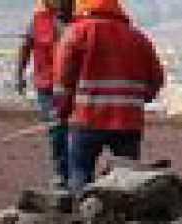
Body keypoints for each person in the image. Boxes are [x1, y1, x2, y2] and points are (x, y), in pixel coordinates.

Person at [51, 0, 163, 194]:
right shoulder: (138, 37)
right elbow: (157, 78)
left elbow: (62, 78)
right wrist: (140, 99)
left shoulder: (77, 32)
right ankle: (124, 220)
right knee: (128, 179)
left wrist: (63, 111)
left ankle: (82, 218)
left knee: (80, 173)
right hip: (128, 122)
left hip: (86, 119)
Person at [15, 0, 74, 188]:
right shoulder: (38, 20)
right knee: (56, 130)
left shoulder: (81, 21)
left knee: (75, 131)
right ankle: (61, 174)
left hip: (73, 87)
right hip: (47, 87)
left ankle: (76, 173)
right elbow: (26, 46)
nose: (61, 4)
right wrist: (19, 75)